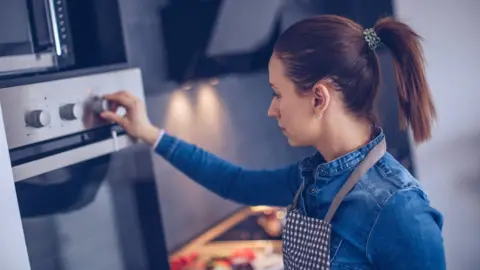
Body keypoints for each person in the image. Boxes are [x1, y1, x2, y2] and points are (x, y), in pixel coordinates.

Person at [101, 15, 446, 270]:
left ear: (318, 98)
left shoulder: (399, 210)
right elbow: (233, 181)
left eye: (278, 94)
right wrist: (149, 133)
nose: (271, 109)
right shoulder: (311, 179)